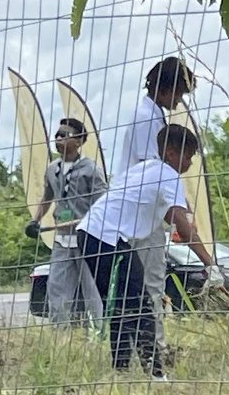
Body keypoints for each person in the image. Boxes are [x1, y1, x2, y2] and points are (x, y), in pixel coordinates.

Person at [78, 124, 216, 373]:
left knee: (122, 305)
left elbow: (162, 213)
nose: (190, 163)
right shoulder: (169, 175)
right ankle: (155, 372)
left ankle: (120, 370)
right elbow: (182, 227)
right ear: (172, 154)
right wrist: (210, 263)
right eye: (188, 156)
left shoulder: (145, 168)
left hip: (90, 233)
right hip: (107, 238)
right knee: (140, 304)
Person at [120, 56, 195, 343]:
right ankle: (156, 349)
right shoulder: (146, 119)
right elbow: (153, 172)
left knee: (143, 284)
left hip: (144, 211)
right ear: (165, 89)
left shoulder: (152, 115)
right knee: (150, 283)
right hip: (143, 213)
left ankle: (145, 345)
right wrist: (181, 211)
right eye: (178, 93)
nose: (179, 100)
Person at [31, 115, 106, 325]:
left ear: (79, 141)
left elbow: (103, 204)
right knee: (57, 289)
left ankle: (100, 332)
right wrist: (35, 220)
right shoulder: (52, 169)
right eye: (57, 135)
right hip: (62, 240)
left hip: (86, 239)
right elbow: (47, 197)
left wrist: (86, 221)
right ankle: (60, 336)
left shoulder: (91, 170)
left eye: (65, 135)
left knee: (93, 290)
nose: (59, 139)